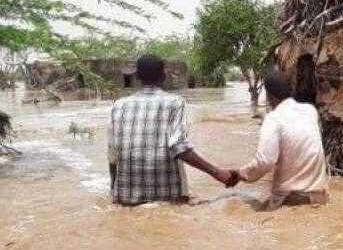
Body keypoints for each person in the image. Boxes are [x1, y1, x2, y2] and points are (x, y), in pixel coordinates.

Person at [108, 55, 237, 206]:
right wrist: (217, 173)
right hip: (165, 196)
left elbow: (113, 153)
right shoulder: (175, 102)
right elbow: (178, 146)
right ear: (163, 76)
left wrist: (114, 189)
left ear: (136, 76)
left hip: (125, 197)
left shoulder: (119, 105)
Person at [232, 70, 329, 209]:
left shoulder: (273, 119)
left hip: (292, 200)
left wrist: (241, 173)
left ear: (269, 94)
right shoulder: (310, 111)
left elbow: (265, 161)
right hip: (320, 197)